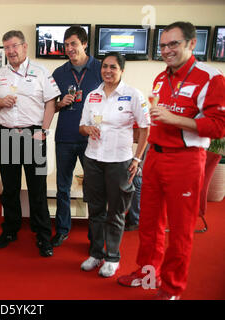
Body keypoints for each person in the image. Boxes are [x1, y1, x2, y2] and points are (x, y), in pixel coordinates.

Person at [117, 22, 225, 300]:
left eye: (173, 44)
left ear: (191, 44)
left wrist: (175, 120)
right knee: (149, 223)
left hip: (185, 161)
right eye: (163, 45)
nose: (166, 50)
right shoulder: (160, 78)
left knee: (179, 229)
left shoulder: (210, 78)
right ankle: (147, 273)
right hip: (155, 156)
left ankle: (172, 287)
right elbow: (156, 118)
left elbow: (219, 127)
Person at [0, 30, 60, 257]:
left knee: (37, 189)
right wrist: (0, 101)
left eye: (14, 46)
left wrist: (44, 131)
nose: (11, 51)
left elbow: (51, 102)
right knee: (10, 188)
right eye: (6, 47)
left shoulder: (40, 72)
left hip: (34, 134)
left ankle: (43, 236)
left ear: (24, 47)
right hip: (8, 134)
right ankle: (10, 230)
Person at [79, 52, 150, 278]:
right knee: (96, 210)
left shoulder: (133, 95)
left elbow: (146, 128)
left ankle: (112, 257)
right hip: (93, 159)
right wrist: (88, 129)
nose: (107, 71)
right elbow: (82, 126)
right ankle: (96, 253)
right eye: (104, 67)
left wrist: (137, 159)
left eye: (113, 67)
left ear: (121, 70)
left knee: (116, 212)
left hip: (119, 161)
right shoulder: (93, 95)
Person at [51, 25, 102, 247]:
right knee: (63, 187)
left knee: (94, 189)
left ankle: (95, 236)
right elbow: (50, 106)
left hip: (92, 138)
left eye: (73, 44)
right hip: (64, 137)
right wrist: (60, 103)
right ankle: (62, 230)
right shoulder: (59, 73)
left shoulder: (101, 68)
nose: (69, 48)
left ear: (84, 44)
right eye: (66, 45)